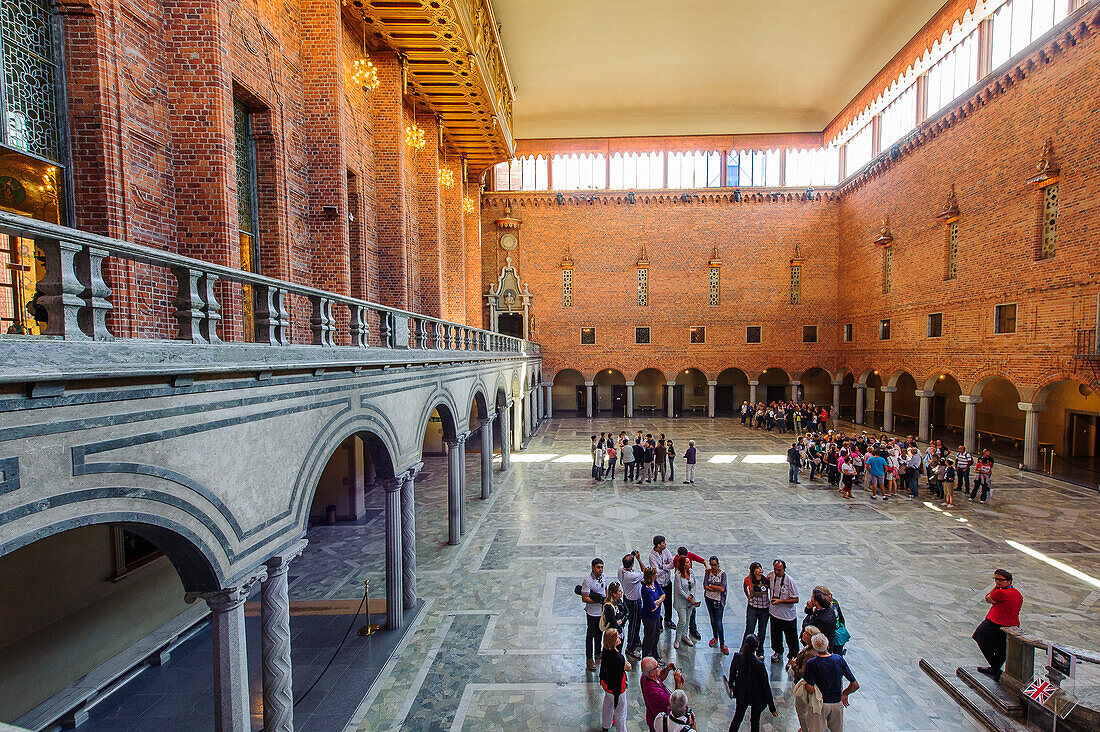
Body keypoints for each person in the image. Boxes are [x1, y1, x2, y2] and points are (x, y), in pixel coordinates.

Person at [972, 569, 1022, 682]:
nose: (998, 582)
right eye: (996, 579)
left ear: (1009, 581)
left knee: (980, 638)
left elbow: (988, 598)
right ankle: (995, 668)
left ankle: (995, 668)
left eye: (1001, 580)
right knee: (1001, 648)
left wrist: (996, 587)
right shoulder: (1017, 593)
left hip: (995, 622)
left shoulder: (1001, 592)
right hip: (1011, 624)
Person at [803, 633, 859, 732]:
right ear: (828, 645)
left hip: (819, 704)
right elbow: (855, 685)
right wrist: (845, 694)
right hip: (836, 703)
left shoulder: (812, 663)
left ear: (815, 648)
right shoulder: (839, 660)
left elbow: (810, 690)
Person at [726, 635, 778, 731]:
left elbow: (732, 673)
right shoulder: (759, 665)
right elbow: (766, 687)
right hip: (756, 697)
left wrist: (731, 686)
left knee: (737, 717)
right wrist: (772, 708)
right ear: (756, 648)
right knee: (755, 722)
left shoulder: (737, 657)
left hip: (742, 694)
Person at [787, 625, 822, 732]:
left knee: (801, 709)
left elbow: (803, 673)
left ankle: (805, 729)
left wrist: (793, 665)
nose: (803, 634)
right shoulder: (809, 648)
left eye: (806, 633)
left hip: (806, 685)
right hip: (808, 684)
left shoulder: (810, 654)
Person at [767, 559, 800, 663]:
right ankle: (778, 652)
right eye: (775, 569)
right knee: (775, 635)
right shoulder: (771, 576)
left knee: (791, 638)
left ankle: (793, 657)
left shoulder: (790, 581)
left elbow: (796, 599)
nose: (777, 572)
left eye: (779, 570)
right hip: (774, 613)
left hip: (787, 616)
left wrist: (780, 601)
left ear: (784, 569)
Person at [640, 656, 685, 731]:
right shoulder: (656, 693)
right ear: (651, 673)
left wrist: (666, 670)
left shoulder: (645, 676)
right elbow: (676, 704)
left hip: (652, 715)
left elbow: (658, 678)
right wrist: (677, 683)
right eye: (657, 666)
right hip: (660, 723)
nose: (659, 667)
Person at [599, 628, 630, 732]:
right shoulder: (618, 657)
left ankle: (606, 725)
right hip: (617, 690)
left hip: (607, 686)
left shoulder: (606, 651)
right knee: (620, 713)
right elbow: (628, 667)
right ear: (613, 641)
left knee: (607, 706)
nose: (619, 638)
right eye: (617, 637)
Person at [582, 558, 608, 670]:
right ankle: (589, 658)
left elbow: (605, 588)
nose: (600, 569)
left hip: (601, 612)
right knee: (590, 635)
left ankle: (598, 652)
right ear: (593, 568)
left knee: (599, 634)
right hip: (592, 613)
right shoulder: (587, 580)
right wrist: (597, 601)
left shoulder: (604, 577)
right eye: (598, 567)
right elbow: (585, 598)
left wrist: (606, 600)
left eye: (602, 567)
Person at [619, 551, 645, 658]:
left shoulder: (621, 570)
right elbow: (644, 571)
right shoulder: (633, 576)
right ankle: (630, 647)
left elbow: (627, 561)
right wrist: (638, 559)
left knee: (633, 622)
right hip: (634, 602)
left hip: (626, 598)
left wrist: (632, 556)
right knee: (634, 624)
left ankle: (636, 639)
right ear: (632, 564)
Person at [743, 562, 770, 654]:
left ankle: (760, 650)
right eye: (758, 568)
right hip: (753, 608)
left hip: (764, 608)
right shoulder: (749, 580)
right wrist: (748, 596)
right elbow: (745, 586)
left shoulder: (766, 580)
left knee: (762, 631)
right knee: (749, 629)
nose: (760, 570)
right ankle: (744, 649)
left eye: (760, 568)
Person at [704, 555, 729, 654]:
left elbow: (722, 588)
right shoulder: (708, 573)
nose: (713, 567)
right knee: (713, 620)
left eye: (715, 565)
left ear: (718, 564)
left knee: (719, 622)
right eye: (711, 565)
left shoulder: (722, 574)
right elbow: (705, 586)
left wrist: (712, 586)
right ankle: (715, 637)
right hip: (709, 599)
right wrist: (715, 588)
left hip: (718, 601)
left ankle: (723, 643)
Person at [650, 536, 676, 629]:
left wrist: (663, 567)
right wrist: (666, 567)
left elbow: (672, 564)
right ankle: (659, 621)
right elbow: (656, 571)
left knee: (668, 602)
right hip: (659, 583)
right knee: (658, 603)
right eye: (663, 543)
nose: (665, 544)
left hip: (667, 581)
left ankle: (668, 619)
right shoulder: (652, 556)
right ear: (658, 545)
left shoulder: (666, 551)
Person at [640, 567, 665, 662]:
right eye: (655, 573)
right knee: (649, 637)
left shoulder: (655, 583)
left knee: (656, 636)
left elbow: (663, 595)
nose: (657, 575)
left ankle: (655, 654)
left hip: (656, 616)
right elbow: (652, 608)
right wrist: (659, 602)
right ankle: (646, 657)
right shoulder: (646, 589)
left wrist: (658, 601)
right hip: (649, 617)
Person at [673, 555, 697, 648]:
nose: (689, 563)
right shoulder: (678, 574)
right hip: (682, 601)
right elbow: (679, 588)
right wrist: (687, 597)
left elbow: (694, 584)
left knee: (687, 619)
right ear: (683, 565)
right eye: (687, 562)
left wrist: (692, 595)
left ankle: (685, 635)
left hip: (690, 600)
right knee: (682, 620)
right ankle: (677, 638)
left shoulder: (691, 572)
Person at [803, 588, 838, 653]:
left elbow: (806, 625)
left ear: (816, 602)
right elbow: (807, 612)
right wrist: (809, 608)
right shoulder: (826, 609)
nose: (810, 599)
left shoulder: (822, 618)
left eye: (812, 597)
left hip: (819, 647)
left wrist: (811, 614)